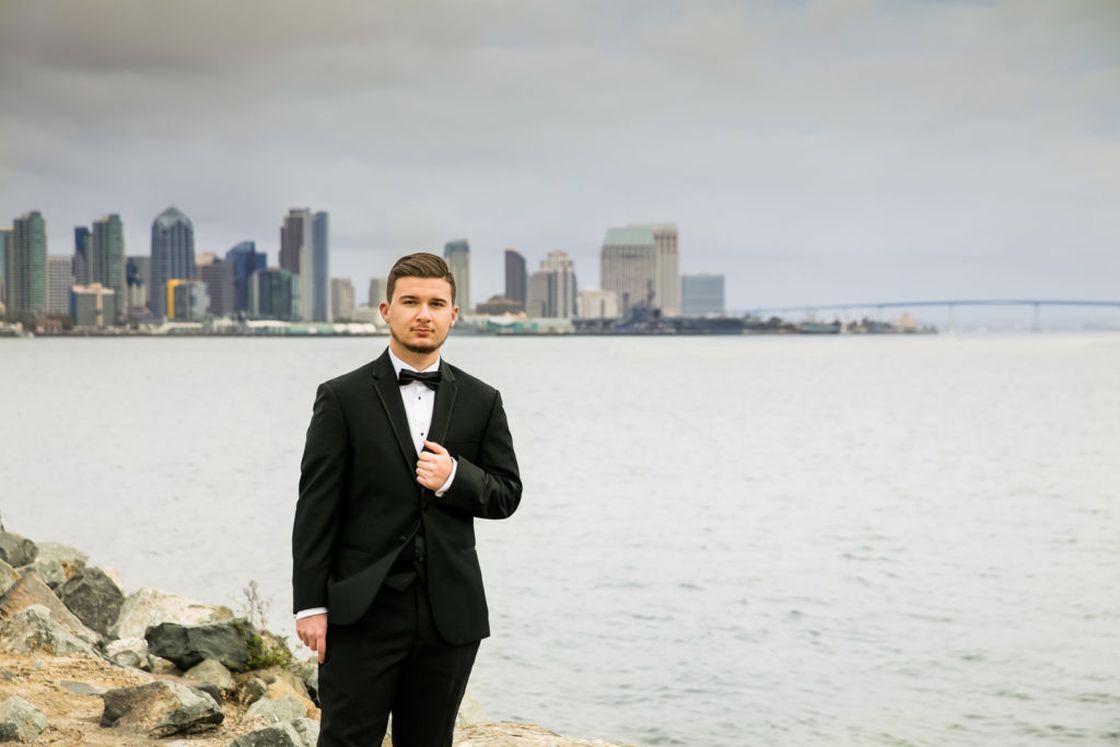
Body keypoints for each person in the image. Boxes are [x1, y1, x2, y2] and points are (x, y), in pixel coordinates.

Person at [291, 252, 522, 746]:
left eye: (437, 303)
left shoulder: (483, 400)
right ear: (385, 310)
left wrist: (454, 477)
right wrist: (310, 604)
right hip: (362, 611)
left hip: (449, 615)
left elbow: (506, 493)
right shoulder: (341, 397)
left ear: (454, 315)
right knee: (345, 740)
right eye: (411, 301)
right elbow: (315, 507)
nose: (424, 314)